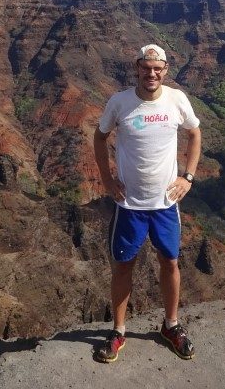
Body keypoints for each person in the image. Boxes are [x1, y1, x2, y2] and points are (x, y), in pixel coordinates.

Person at [92, 43, 202, 363]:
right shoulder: (120, 102)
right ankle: (118, 331)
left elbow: (195, 134)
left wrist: (188, 177)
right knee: (124, 265)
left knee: (169, 262)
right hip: (130, 205)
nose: (151, 73)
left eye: (158, 68)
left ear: (165, 71)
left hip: (165, 203)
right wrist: (107, 179)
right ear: (137, 68)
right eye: (146, 67)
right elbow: (99, 137)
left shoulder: (176, 100)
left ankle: (171, 326)